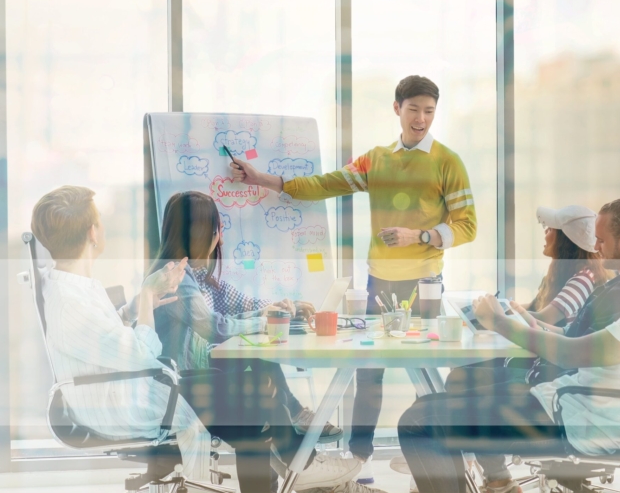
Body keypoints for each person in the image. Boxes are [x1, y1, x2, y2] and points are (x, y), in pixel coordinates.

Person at [32, 186, 371, 493]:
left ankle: (303, 467)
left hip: (136, 386)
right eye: (100, 221)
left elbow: (107, 335)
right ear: (92, 233)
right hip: (130, 398)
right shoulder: (72, 299)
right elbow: (142, 352)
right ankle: (305, 467)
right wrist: (147, 298)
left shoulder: (74, 287)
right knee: (253, 401)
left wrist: (136, 305)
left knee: (254, 402)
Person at [230, 75, 478, 482]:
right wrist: (263, 180)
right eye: (413, 109)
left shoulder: (447, 162)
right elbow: (324, 185)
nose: (421, 119)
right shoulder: (376, 160)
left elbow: (467, 226)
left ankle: (440, 457)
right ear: (397, 108)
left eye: (429, 111)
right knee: (368, 374)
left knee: (427, 372)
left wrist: (421, 236)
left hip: (425, 284)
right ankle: (355, 461)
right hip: (380, 282)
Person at [397, 195, 620, 493]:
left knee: (418, 422)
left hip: (569, 424)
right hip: (568, 408)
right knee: (426, 410)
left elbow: (569, 353)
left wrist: (499, 322)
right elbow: (582, 344)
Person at [151, 192, 377, 492]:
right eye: (218, 230)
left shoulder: (196, 275)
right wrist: (265, 321)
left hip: (195, 379)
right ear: (206, 232)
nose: (220, 239)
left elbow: (238, 305)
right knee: (258, 400)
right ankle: (304, 460)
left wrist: (282, 308)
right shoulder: (174, 277)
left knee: (259, 377)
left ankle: (303, 454)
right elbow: (214, 327)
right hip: (182, 389)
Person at [444, 190, 620, 394]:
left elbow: (572, 352)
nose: (595, 246)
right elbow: (569, 334)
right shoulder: (614, 288)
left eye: (601, 240)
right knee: (456, 379)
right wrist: (520, 317)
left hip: (549, 385)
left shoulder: (618, 290)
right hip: (545, 377)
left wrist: (501, 321)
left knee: (456, 381)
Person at [524, 205, 610, 331]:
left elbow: (544, 318)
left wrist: (496, 316)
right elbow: (533, 307)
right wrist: (503, 307)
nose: (545, 232)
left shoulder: (584, 279)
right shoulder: (562, 275)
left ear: (565, 240)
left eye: (550, 229)